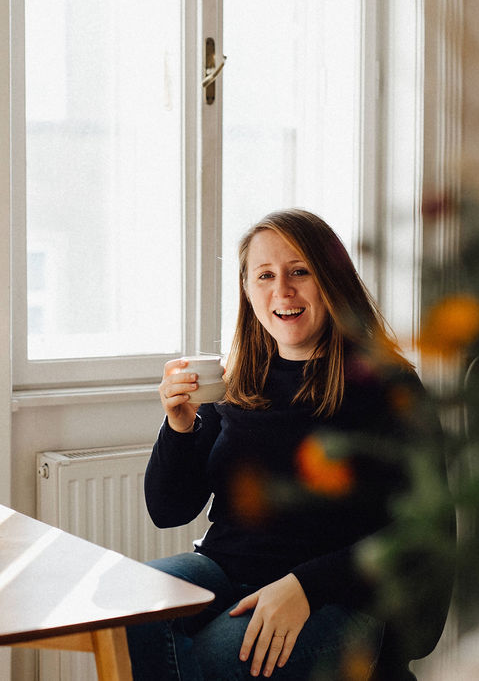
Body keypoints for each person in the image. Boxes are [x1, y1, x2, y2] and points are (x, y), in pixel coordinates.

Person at [127, 209, 451, 680]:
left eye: (300, 271)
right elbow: (168, 510)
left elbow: (425, 530)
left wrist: (305, 585)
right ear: (247, 290)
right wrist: (179, 426)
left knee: (210, 663)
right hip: (222, 571)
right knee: (129, 616)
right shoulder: (237, 382)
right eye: (265, 275)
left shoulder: (387, 386)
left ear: (331, 280)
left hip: (336, 595)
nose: (282, 290)